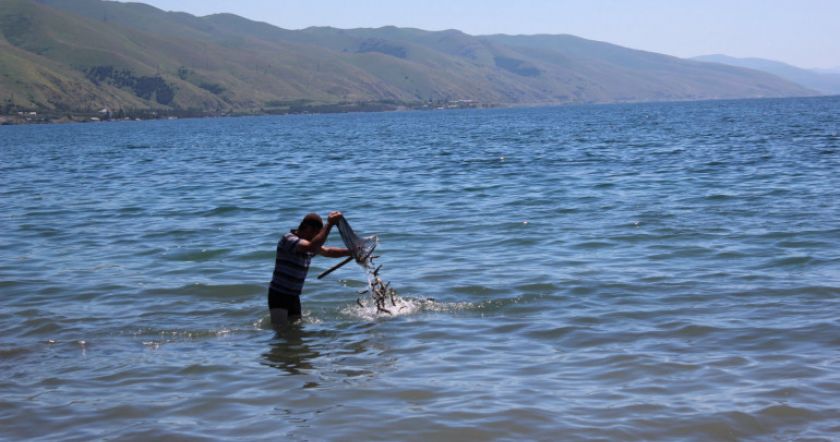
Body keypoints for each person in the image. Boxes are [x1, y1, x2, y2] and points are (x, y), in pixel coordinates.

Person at [268, 211, 350, 329]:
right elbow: (311, 247)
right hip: (279, 294)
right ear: (307, 228)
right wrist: (329, 224)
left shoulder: (309, 245)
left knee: (295, 331)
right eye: (315, 234)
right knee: (280, 330)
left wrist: (351, 252)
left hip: (294, 296)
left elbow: (328, 251)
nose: (315, 238)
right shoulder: (289, 239)